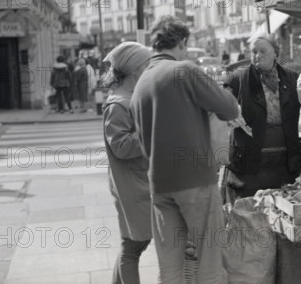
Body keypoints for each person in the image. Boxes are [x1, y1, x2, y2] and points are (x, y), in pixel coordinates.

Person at [130, 15, 239, 284]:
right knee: (209, 259)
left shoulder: (140, 84)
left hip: (159, 184)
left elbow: (142, 141)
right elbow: (228, 109)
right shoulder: (185, 71)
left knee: (169, 266)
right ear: (182, 42)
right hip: (194, 180)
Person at [221, 34, 301, 202]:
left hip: (284, 165)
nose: (257, 55)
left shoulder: (293, 79)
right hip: (249, 167)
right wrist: (229, 111)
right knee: (249, 213)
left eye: (263, 51)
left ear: (276, 52)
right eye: (254, 51)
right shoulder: (238, 79)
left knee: (281, 211)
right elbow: (221, 106)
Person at [102, 42, 153, 284]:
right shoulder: (118, 104)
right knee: (133, 246)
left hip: (138, 181)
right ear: (135, 69)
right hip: (131, 186)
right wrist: (150, 130)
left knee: (133, 243)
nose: (149, 69)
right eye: (146, 64)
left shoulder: (128, 97)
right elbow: (120, 146)